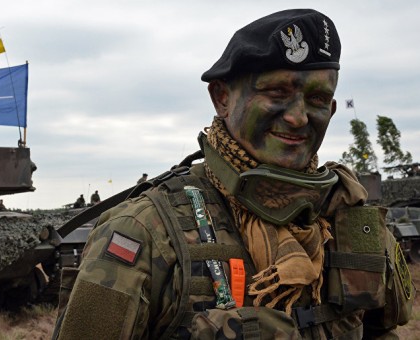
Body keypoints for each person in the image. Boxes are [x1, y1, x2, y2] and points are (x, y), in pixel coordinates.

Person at [53, 9, 413, 339]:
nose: (298, 117)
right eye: (277, 92)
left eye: (317, 99)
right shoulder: (144, 232)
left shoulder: (349, 220)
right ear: (221, 98)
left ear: (332, 109)